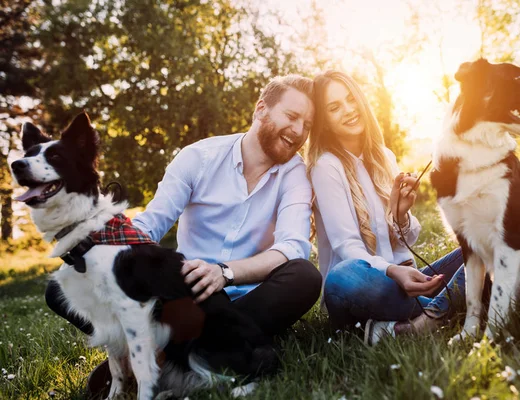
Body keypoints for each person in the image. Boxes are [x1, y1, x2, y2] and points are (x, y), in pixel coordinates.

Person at [45, 74, 322, 393]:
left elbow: (292, 247)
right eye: (291, 116)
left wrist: (225, 273)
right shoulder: (198, 157)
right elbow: (150, 225)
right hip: (187, 301)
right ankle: (202, 355)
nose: (299, 131)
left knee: (304, 276)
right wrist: (96, 247)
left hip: (252, 300)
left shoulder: (295, 175)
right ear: (261, 109)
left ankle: (167, 355)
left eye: (308, 125)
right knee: (62, 285)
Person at [305, 70, 465, 346]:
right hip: (361, 286)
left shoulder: (384, 157)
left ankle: (421, 321)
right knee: (344, 274)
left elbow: (405, 241)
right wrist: (393, 272)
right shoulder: (326, 166)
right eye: (334, 107)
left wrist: (401, 214)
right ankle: (453, 302)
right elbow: (347, 246)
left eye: (351, 99)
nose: (349, 110)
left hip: (402, 281)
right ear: (325, 122)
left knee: (477, 251)